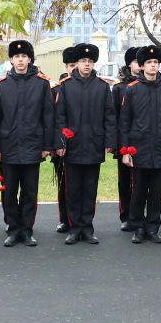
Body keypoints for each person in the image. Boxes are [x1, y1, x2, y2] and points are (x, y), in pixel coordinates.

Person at [0, 40, 55, 247]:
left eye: (24, 56)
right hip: (8, 147)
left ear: (29, 59)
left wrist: (47, 145)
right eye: (16, 57)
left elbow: (48, 117)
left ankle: (26, 229)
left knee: (30, 191)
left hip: (32, 145)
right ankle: (12, 227)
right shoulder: (2, 86)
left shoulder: (42, 84)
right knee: (8, 191)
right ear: (11, 60)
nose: (20, 60)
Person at [53, 43, 117, 244]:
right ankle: (74, 228)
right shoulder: (66, 86)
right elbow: (60, 117)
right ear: (77, 64)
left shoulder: (102, 86)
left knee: (90, 190)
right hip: (72, 147)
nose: (86, 65)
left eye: (90, 61)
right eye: (83, 61)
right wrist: (61, 141)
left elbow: (109, 116)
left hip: (93, 145)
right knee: (73, 190)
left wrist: (109, 142)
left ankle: (87, 228)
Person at [120, 45, 161, 243]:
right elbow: (125, 122)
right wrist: (126, 151)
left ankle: (153, 227)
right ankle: (137, 227)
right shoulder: (132, 90)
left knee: (156, 191)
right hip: (139, 149)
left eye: (156, 62)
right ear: (142, 66)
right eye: (149, 63)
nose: (153, 66)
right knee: (138, 191)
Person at [113, 46, 141, 230]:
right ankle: (126, 217)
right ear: (129, 64)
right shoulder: (119, 88)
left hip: (144, 142)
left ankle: (140, 215)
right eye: (137, 62)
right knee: (125, 182)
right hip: (125, 141)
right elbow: (114, 116)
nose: (140, 66)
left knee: (142, 183)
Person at [51, 46, 78, 234]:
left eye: (77, 64)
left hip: (81, 145)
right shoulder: (57, 89)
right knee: (64, 185)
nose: (74, 68)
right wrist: (57, 143)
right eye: (71, 65)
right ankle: (64, 219)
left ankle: (79, 221)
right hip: (61, 146)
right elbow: (52, 118)